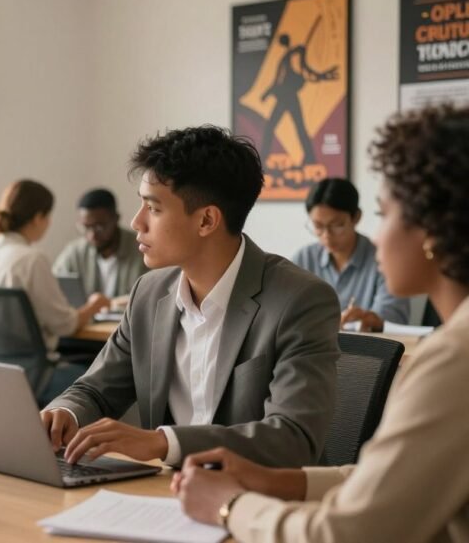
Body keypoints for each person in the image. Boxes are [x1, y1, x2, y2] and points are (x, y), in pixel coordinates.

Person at [174, 105, 469, 543]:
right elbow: (388, 484)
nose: (378, 235)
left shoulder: (454, 361)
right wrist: (275, 480)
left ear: (430, 227)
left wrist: (230, 505)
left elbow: (348, 533)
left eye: (384, 214)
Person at [43, 125, 340, 469]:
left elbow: (292, 438)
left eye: (153, 208)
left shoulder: (300, 300)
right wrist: (61, 413)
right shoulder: (148, 292)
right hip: (167, 494)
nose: (138, 223)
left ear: (207, 220)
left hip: (258, 503)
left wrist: (162, 442)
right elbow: (95, 390)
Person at [0, 179, 111, 402]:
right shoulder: (32, 259)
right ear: (38, 217)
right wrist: (93, 307)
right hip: (34, 377)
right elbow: (66, 325)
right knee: (106, 380)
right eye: (48, 217)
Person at [292, 178, 409, 331]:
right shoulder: (304, 259)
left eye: (337, 225)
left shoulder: (381, 258)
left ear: (356, 217)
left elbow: (395, 315)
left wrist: (368, 318)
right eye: (318, 226)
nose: (326, 235)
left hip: (368, 349)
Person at [53, 188, 148, 308]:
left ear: (116, 218)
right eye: (86, 227)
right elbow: (53, 289)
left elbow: (154, 292)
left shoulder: (142, 248)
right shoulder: (75, 252)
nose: (92, 234)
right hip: (88, 326)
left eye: (99, 227)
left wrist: (110, 304)